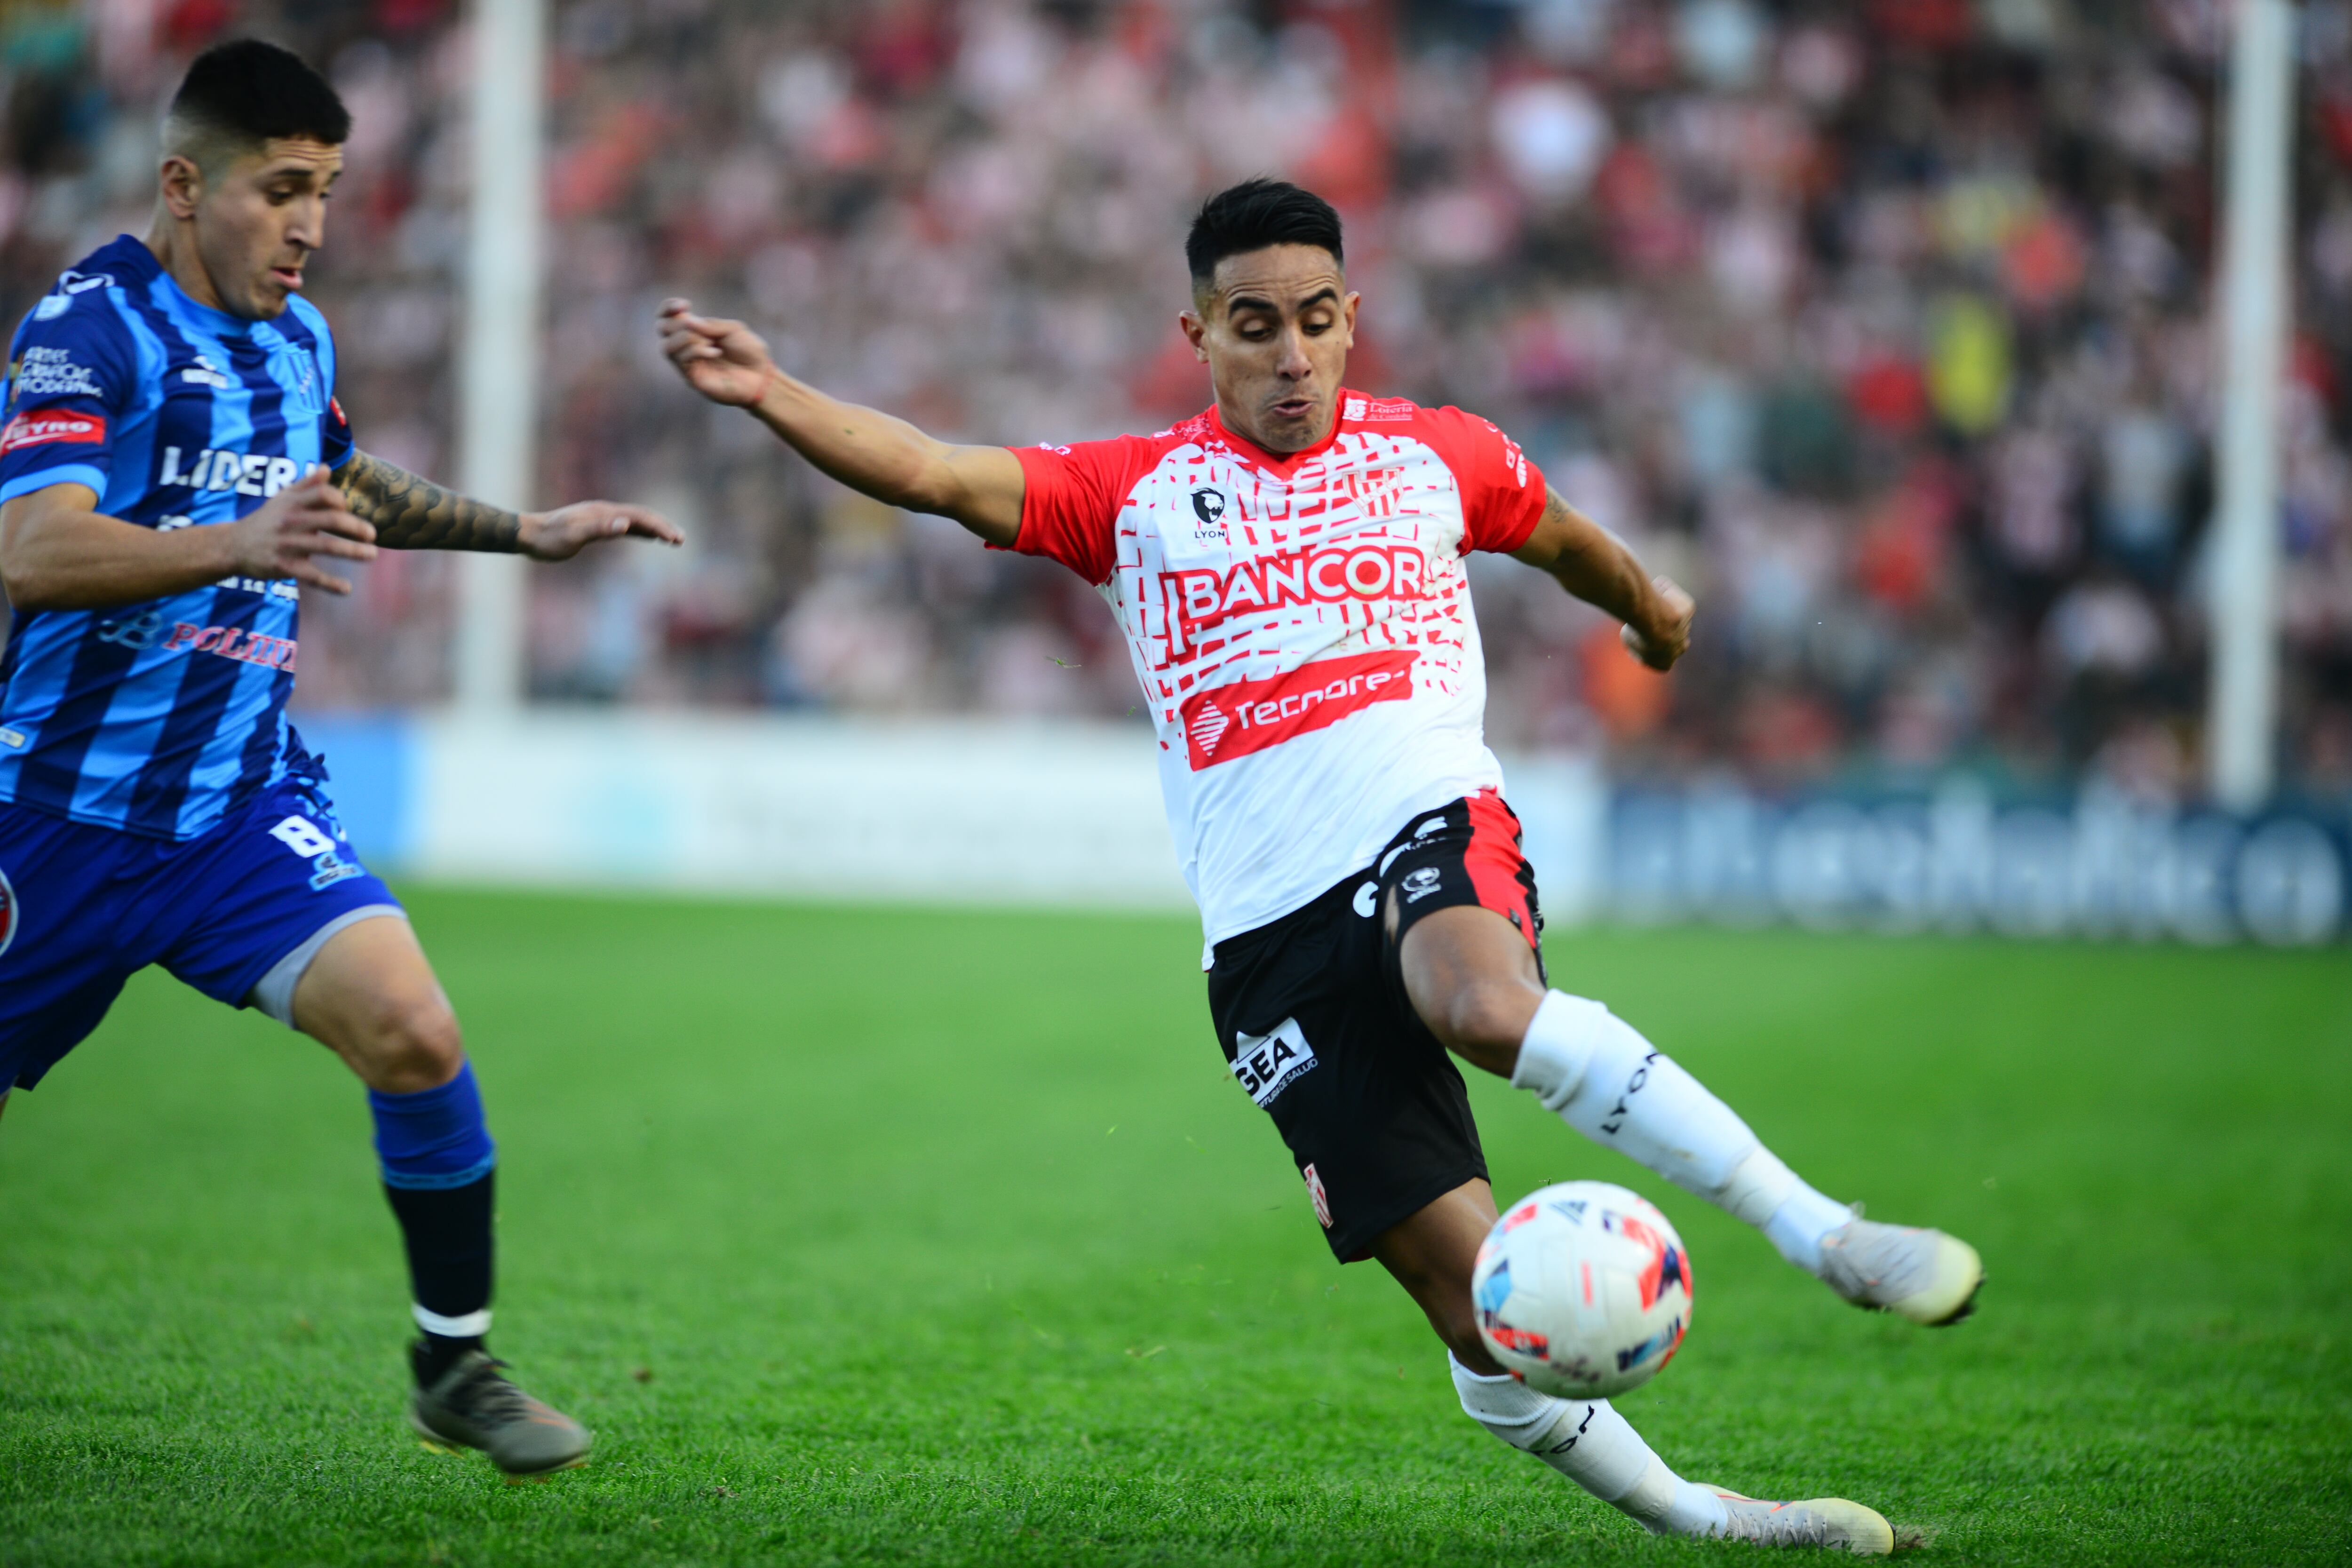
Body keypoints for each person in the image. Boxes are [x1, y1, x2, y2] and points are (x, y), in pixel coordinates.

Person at [658, 179, 1979, 1552]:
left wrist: (1650, 611)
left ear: (1352, 321)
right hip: (1264, 944)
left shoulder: (1435, 455)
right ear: (1199, 334)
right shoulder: (1132, 494)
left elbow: (1567, 542)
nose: (1290, 356)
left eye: (1315, 321)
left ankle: (1824, 1234)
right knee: (1486, 1319)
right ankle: (1713, 1522)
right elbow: (930, 470)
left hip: (1424, 820)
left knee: (1476, 1003)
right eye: (1254, 327)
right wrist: (774, 394)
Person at [0, 40, 680, 1477]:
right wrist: (238, 545)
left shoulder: (298, 342)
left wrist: (527, 532)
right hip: (48, 817)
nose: (310, 223)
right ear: (185, 185)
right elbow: (35, 549)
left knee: (417, 1032)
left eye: (329, 191)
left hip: (232, 818)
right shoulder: (87, 330)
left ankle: (455, 1366)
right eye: (282, 189)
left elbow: (346, 480)